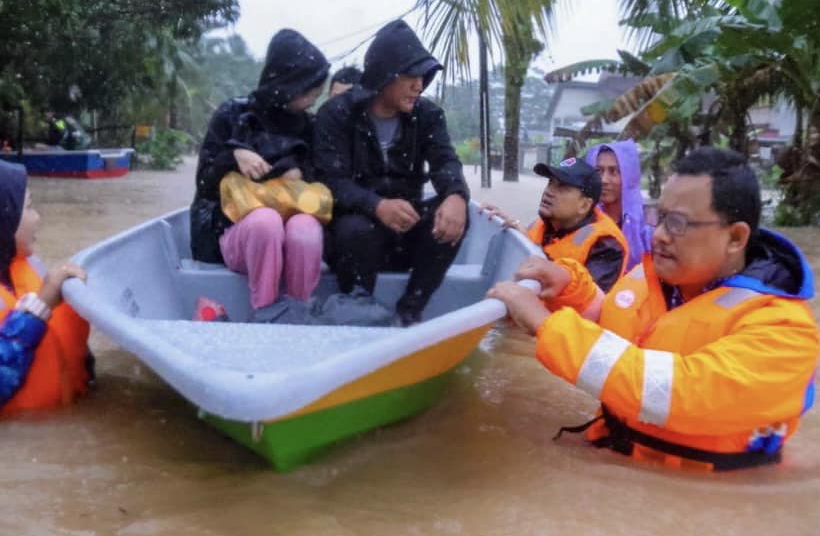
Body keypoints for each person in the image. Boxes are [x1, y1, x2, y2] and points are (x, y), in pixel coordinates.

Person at [488, 147, 820, 471]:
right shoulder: (651, 279)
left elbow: (677, 394)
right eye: (659, 218)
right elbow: (611, 327)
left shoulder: (785, 332)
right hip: (611, 459)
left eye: (677, 223)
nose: (658, 235)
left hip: (704, 499)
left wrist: (545, 325)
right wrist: (567, 284)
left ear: (735, 238)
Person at [314, 19, 469, 326]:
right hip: (353, 237)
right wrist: (377, 206)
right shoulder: (337, 114)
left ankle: (410, 308)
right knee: (354, 228)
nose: (419, 85)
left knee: (451, 218)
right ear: (383, 76)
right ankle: (359, 306)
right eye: (410, 76)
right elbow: (330, 181)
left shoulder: (428, 116)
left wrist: (456, 196)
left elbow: (445, 162)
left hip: (405, 233)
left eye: (422, 76)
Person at [190, 29, 329, 311]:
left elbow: (324, 182)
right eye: (310, 87)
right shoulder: (233, 115)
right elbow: (204, 184)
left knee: (305, 228)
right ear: (289, 84)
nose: (316, 93)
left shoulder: (311, 127)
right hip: (234, 233)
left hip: (292, 227)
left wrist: (299, 173)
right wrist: (233, 155)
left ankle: (298, 311)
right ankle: (265, 311)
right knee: (265, 221)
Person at [0, 161, 91, 415]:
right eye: (28, 207)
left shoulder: (29, 267)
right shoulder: (41, 291)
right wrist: (39, 308)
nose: (37, 218)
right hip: (21, 446)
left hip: (66, 423)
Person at [482, 157, 628, 295]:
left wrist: (531, 248)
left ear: (584, 205)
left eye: (563, 187)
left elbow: (587, 303)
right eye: (550, 182)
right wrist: (513, 234)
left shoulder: (607, 245)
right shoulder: (545, 223)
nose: (549, 191)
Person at [585, 139, 652, 270]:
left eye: (614, 171)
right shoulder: (583, 220)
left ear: (629, 177)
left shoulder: (646, 226)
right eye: (598, 171)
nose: (604, 180)